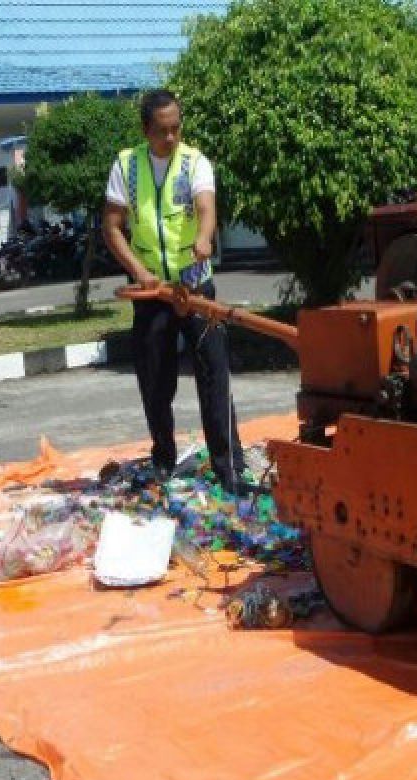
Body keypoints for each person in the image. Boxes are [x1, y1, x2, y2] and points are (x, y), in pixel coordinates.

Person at [102, 89, 246, 492]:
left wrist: (204, 238)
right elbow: (112, 226)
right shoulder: (126, 166)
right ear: (146, 130)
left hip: (195, 285)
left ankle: (229, 466)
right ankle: (163, 458)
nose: (171, 137)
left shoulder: (194, 162)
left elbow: (206, 208)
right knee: (155, 379)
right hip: (153, 294)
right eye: (163, 131)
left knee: (214, 375)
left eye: (176, 128)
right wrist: (139, 272)